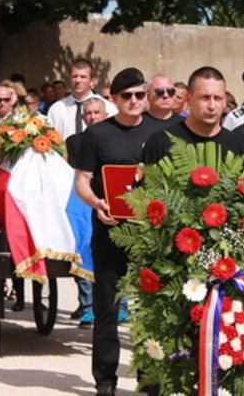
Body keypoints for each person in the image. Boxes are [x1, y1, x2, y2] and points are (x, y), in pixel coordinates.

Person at [74, 68, 161, 396]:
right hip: (109, 230)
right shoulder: (97, 135)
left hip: (150, 232)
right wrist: (97, 203)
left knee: (151, 307)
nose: (135, 101)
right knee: (108, 306)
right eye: (127, 96)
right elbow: (82, 180)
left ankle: (149, 376)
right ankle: (105, 381)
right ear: (113, 99)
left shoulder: (160, 132)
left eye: (140, 94)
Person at [141, 67, 244, 167]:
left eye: (217, 98)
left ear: (224, 101)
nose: (211, 106)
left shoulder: (240, 148)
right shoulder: (160, 143)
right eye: (205, 98)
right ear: (189, 100)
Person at [65, 96, 108, 326]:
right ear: (83, 117)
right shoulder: (74, 142)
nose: (92, 117)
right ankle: (87, 305)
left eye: (96, 113)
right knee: (81, 248)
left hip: (110, 199)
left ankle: (118, 307)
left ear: (105, 115)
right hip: (82, 202)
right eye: (88, 113)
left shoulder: (115, 137)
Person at [47, 59, 117, 140]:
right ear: (69, 79)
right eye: (74, 76)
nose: (78, 80)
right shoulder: (56, 109)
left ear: (91, 81)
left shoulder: (107, 107)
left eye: (83, 77)